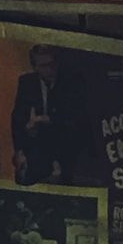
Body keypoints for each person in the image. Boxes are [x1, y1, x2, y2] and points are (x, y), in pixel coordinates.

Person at [11, 45, 90, 186]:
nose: (50, 70)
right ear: (35, 67)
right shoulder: (26, 82)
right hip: (38, 143)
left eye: (52, 64)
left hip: (67, 141)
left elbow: (78, 118)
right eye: (43, 66)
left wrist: (48, 120)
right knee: (24, 178)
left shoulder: (72, 81)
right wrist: (20, 150)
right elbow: (17, 119)